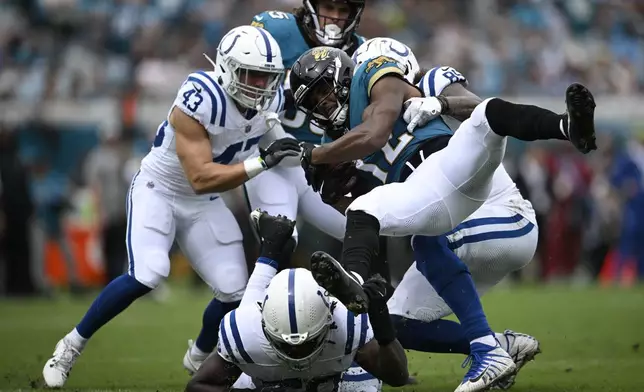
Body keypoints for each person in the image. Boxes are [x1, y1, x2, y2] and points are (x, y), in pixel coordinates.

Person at [289, 45, 597, 392]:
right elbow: (369, 214)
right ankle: (496, 344)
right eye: (313, 100)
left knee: (488, 114)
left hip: (498, 214)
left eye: (324, 92)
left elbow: (469, 105)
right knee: (392, 321)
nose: (323, 104)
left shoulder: (417, 83)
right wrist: (333, 189)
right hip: (441, 223)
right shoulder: (348, 143)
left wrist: (443, 104)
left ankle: (566, 126)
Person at [41, 25, 304, 388]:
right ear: (228, 68)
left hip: (204, 202)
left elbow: (279, 151)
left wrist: (290, 152)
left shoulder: (271, 101)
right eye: (252, 75)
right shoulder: (202, 94)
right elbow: (199, 175)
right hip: (161, 189)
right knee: (147, 274)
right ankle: (71, 344)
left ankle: (198, 353)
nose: (260, 86)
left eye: (267, 78)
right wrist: (262, 162)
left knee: (236, 292)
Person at [186, 209, 408, 392]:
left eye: (306, 344)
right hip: (265, 375)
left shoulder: (347, 325)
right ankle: (271, 250)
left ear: (330, 319)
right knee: (244, 380)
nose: (298, 355)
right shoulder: (244, 332)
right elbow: (199, 386)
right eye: (288, 346)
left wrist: (381, 323)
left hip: (335, 375)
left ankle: (271, 250)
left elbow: (397, 377)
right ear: (263, 322)